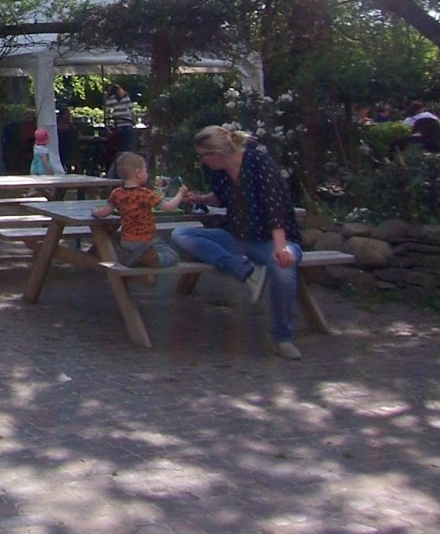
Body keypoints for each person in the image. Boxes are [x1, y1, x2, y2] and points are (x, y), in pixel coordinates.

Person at [170, 125, 305, 360]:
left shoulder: (259, 163)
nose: (202, 161)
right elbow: (221, 197)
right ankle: (244, 270)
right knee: (181, 234)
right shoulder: (220, 171)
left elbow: (275, 207)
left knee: (283, 271)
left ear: (216, 154)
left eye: (203, 156)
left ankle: (282, 337)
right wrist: (199, 199)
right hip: (236, 236)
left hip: (270, 238)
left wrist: (280, 247)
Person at [91, 151, 186, 267]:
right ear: (137, 173)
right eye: (145, 170)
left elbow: (104, 212)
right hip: (145, 240)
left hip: (126, 241)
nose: (147, 173)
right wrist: (181, 194)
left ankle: (134, 258)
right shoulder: (145, 194)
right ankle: (152, 259)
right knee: (171, 255)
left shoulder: (117, 193)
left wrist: (94, 212)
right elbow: (169, 207)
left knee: (120, 241)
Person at [104, 84, 138, 157]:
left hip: (118, 123)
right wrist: (134, 120)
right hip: (127, 121)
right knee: (128, 145)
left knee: (119, 145)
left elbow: (107, 112)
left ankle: (120, 158)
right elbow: (131, 110)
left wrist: (107, 123)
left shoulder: (110, 99)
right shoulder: (125, 97)